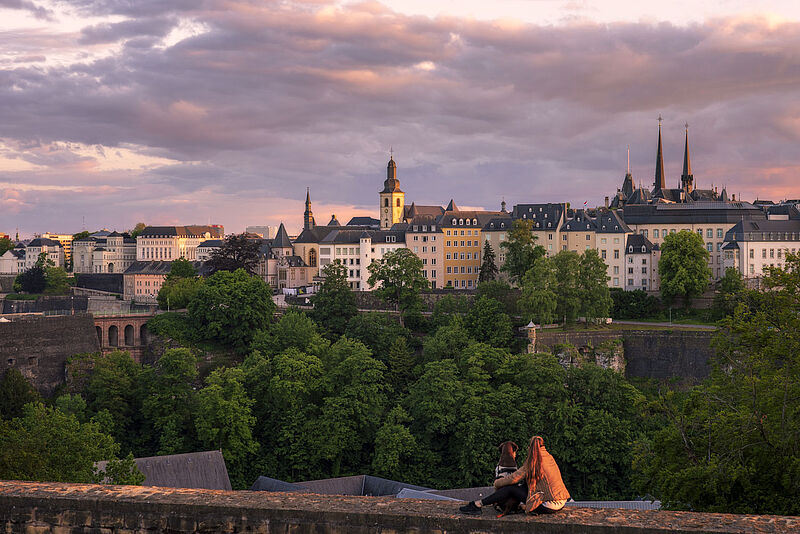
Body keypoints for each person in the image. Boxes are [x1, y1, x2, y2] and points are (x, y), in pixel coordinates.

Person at [459, 435, 570, 516]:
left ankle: (478, 504)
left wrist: (497, 483)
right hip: (561, 502)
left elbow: (513, 478)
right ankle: (519, 506)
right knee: (524, 485)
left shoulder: (533, 461)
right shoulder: (549, 457)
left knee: (510, 489)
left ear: (530, 448)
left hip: (548, 505)